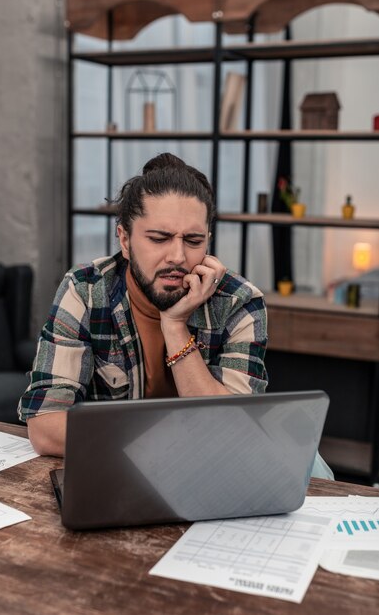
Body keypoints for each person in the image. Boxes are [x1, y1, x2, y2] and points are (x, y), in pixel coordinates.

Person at [18, 152, 332, 479]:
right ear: (124, 239)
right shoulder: (85, 290)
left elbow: (230, 432)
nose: (178, 256)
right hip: (118, 472)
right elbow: (45, 426)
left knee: (317, 472)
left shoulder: (239, 302)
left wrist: (175, 324)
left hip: (215, 474)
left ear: (207, 240)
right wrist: (156, 447)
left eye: (193, 240)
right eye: (159, 238)